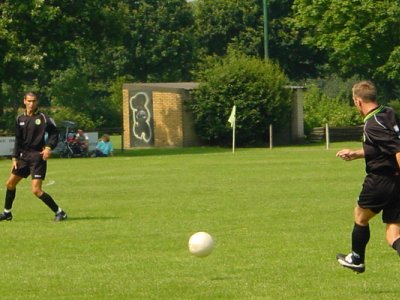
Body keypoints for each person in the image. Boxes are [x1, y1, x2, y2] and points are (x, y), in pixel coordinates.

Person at [336, 81, 400, 273]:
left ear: (358, 101)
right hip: (396, 182)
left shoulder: (373, 125)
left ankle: (356, 258)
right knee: (393, 234)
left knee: (360, 216)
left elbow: (397, 149)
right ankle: (356, 257)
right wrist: (357, 154)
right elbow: (385, 147)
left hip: (381, 180)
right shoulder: (387, 113)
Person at [0, 92, 67, 222]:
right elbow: (18, 140)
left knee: (36, 190)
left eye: (34, 101)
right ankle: (7, 213)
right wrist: (14, 157)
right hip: (23, 157)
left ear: (37, 102)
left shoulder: (43, 118)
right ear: (24, 101)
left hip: (37, 157)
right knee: (10, 184)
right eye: (29, 101)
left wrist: (48, 147)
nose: (32, 103)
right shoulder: (20, 119)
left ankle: (60, 213)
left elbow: (54, 134)